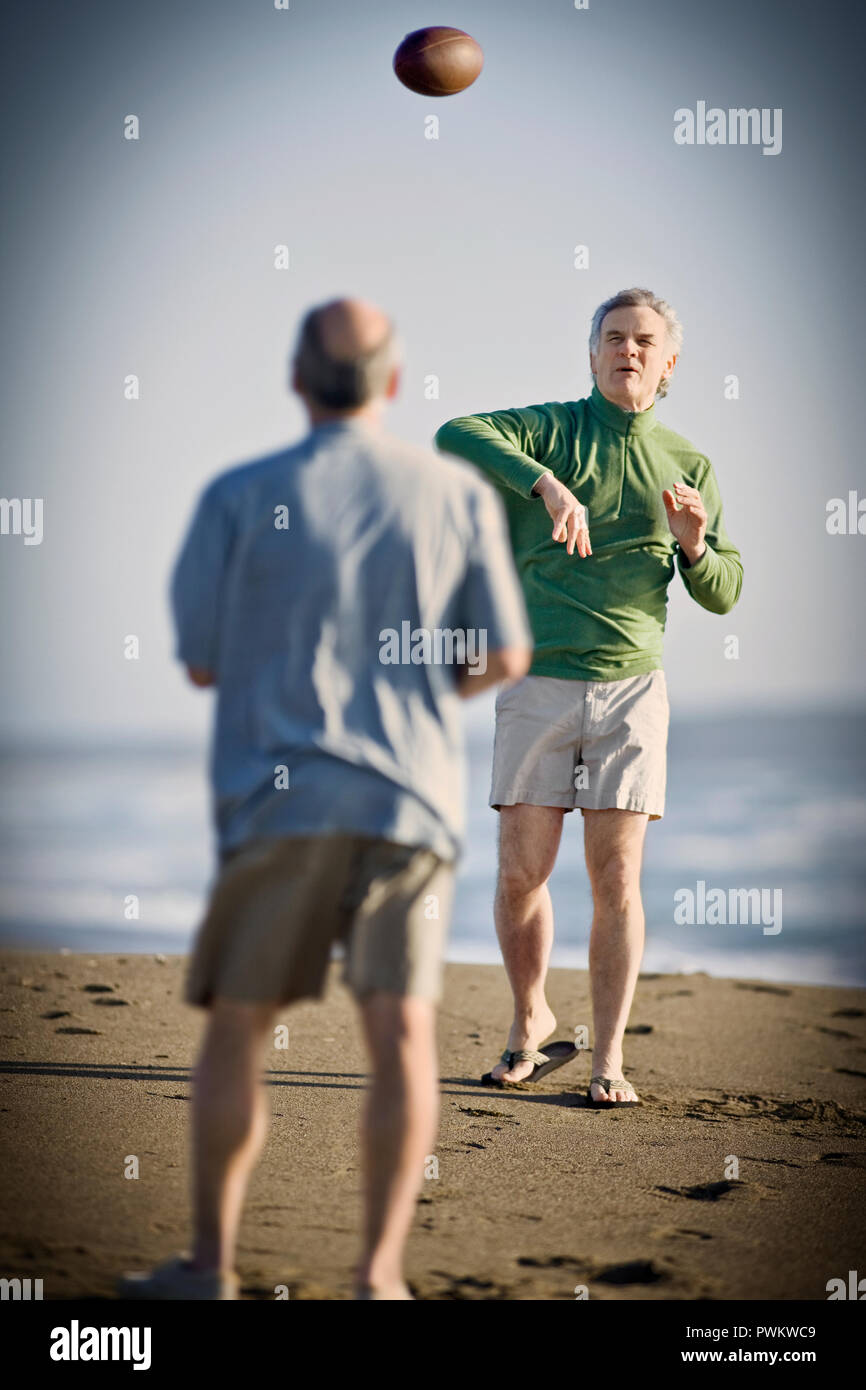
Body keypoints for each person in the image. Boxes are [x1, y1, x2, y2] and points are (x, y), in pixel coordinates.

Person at [119, 298, 532, 1300]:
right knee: (400, 1035)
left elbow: (203, 664)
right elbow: (507, 654)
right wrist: (426, 688)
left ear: (295, 378)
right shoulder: (455, 493)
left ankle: (210, 1266)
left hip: (278, 801)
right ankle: (378, 1275)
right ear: (393, 384)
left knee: (239, 1023)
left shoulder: (237, 494)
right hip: (411, 805)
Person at [435, 287, 743, 1106]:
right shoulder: (553, 430)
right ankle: (529, 1018)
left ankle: (608, 1059)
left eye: (644, 341)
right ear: (593, 354)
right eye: (613, 338)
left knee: (617, 882)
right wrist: (545, 486)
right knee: (519, 874)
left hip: (633, 690)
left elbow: (723, 593)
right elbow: (454, 432)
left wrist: (696, 545)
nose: (628, 351)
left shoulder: (690, 465)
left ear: (668, 361)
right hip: (537, 682)